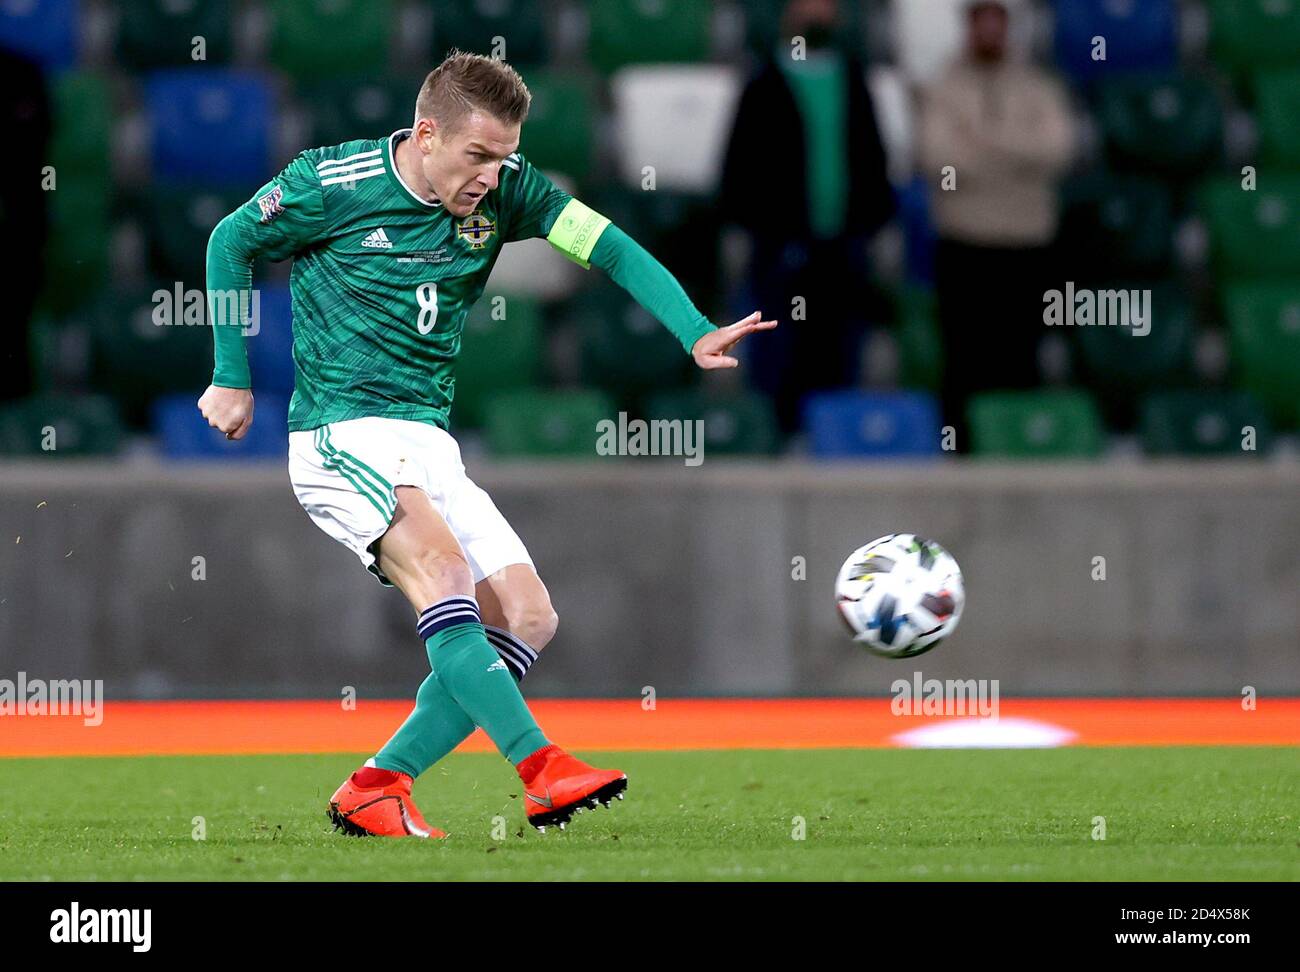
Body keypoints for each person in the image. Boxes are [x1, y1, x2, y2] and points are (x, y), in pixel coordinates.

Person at [198, 52, 775, 837]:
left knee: (530, 617)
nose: (491, 175)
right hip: (339, 432)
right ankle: (542, 769)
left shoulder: (510, 189)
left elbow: (607, 246)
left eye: (503, 156)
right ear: (427, 134)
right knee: (445, 571)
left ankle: (378, 785)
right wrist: (232, 375)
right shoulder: (329, 183)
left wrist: (694, 330)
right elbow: (230, 241)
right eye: (478, 155)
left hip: (429, 443)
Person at [720, 0, 894, 435]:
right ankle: (780, 439)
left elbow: (875, 160)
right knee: (780, 353)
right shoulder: (762, 84)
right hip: (780, 249)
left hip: (844, 246)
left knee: (839, 350)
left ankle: (836, 442)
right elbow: (737, 169)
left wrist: (871, 224)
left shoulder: (853, 81)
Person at [917, 0, 1075, 449]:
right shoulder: (943, 87)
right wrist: (1017, 155)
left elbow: (1058, 149)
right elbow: (939, 157)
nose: (989, 30)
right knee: (965, 360)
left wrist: (980, 142)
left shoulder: (1039, 86)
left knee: (1022, 357)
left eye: (997, 21)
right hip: (965, 245)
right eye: (980, 21)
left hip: (1027, 247)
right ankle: (963, 454)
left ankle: (1020, 448)